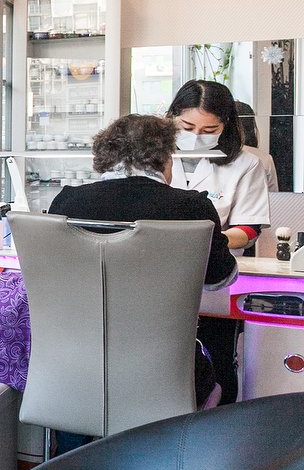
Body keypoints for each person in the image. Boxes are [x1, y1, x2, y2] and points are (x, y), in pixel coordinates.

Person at [47, 114, 235, 450]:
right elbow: (220, 279)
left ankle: (69, 468)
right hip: (162, 374)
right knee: (220, 368)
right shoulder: (192, 207)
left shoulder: (67, 201)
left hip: (74, 369)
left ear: (105, 155)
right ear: (166, 158)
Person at [166, 80, 271, 405]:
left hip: (215, 280)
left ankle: (217, 428)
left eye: (209, 129)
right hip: (158, 276)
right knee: (165, 365)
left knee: (217, 364)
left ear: (225, 125)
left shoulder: (245, 164)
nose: (196, 136)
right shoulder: (154, 155)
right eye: (187, 127)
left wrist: (206, 242)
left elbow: (249, 228)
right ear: (171, 117)